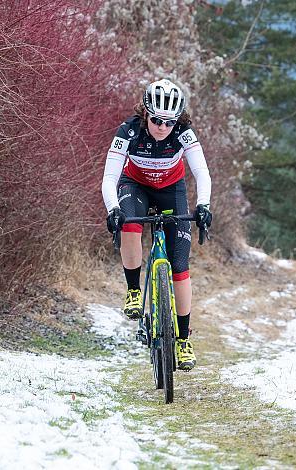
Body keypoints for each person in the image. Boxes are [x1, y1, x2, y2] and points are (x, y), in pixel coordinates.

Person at [101, 79, 212, 371]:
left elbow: (202, 173)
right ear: (145, 113)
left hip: (171, 190)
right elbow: (109, 178)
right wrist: (113, 209)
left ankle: (183, 340)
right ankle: (134, 290)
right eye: (156, 120)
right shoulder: (128, 131)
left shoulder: (184, 133)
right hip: (134, 185)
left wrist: (204, 205)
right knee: (129, 225)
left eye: (169, 122)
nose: (162, 127)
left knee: (179, 265)